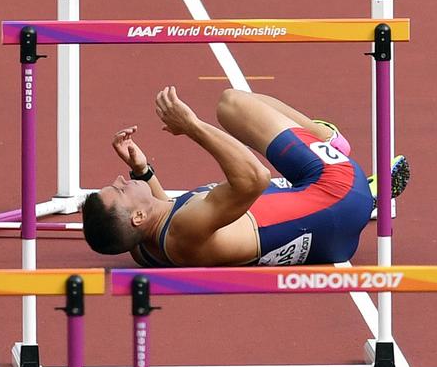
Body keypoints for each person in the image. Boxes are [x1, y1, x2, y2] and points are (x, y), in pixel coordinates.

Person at [81, 87, 409, 267]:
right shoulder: (184, 228)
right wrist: (192, 127)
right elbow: (255, 177)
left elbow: (165, 212)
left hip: (332, 240)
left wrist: (142, 171)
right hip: (337, 193)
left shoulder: (144, 250)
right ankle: (327, 139)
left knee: (269, 198)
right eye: (119, 190)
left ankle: (368, 194)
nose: (120, 180)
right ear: (137, 215)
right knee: (233, 104)